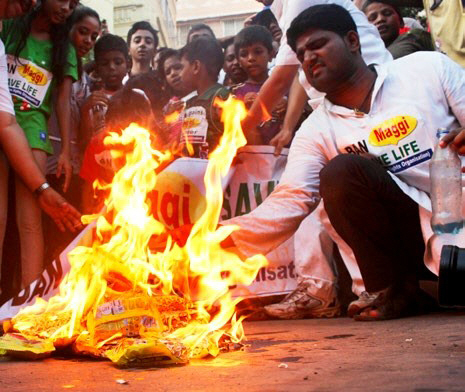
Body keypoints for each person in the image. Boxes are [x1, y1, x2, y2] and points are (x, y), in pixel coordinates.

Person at [222, 4, 465, 320]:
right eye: (301, 53)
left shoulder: (427, 69)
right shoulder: (316, 130)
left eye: (318, 44)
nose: (309, 57)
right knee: (342, 172)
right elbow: (288, 203)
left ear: (352, 41)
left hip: (459, 214)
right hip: (413, 236)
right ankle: (394, 290)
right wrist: (214, 239)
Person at [0, 0, 79, 287]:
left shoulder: (64, 47)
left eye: (74, 4)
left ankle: (27, 302)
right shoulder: (10, 26)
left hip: (33, 131)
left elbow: (63, 100)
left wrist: (67, 152)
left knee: (30, 222)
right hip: (2, 124)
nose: (67, 7)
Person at [79, 34, 129, 213]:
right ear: (97, 68)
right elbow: (84, 143)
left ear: (127, 64)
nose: (112, 68)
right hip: (97, 174)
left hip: (130, 173)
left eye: (118, 62)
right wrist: (85, 110)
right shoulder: (91, 99)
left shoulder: (137, 96)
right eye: (105, 63)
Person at [232, 25, 286, 145]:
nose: (251, 58)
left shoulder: (283, 86)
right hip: (250, 156)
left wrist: (287, 106)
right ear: (239, 60)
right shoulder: (235, 93)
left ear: (271, 54)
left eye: (258, 52)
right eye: (244, 54)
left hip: (284, 155)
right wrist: (241, 107)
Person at [178, 37, 229, 158]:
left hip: (217, 172)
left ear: (196, 66)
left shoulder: (223, 98)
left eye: (181, 67)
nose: (179, 74)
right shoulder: (190, 102)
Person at [362, 0, 434, 58]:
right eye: (372, 18)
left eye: (387, 13)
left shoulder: (415, 37)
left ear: (401, 21)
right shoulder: (366, 58)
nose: (380, 19)